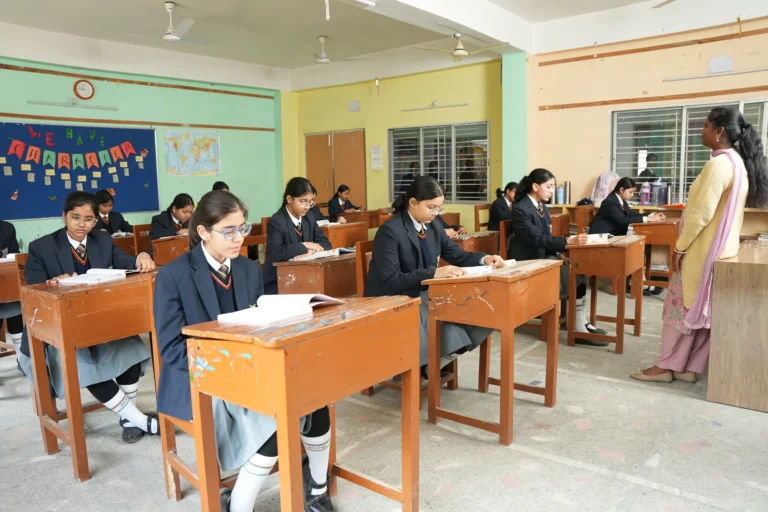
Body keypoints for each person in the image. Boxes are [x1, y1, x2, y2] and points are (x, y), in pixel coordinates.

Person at [154, 190, 334, 511]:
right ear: (203, 233)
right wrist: (231, 368)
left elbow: (257, 322)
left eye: (243, 228)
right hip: (200, 379)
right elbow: (171, 350)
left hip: (250, 366)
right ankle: (238, 504)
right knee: (277, 418)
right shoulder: (174, 275)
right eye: (229, 231)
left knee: (315, 397)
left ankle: (317, 488)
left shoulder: (248, 269)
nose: (239, 239)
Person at [632, 106, 768, 383]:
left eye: (705, 126)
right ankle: (687, 368)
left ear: (719, 131)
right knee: (699, 311)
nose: (701, 131)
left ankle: (664, 367)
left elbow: (701, 214)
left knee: (678, 309)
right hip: (721, 249)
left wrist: (680, 247)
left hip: (703, 251)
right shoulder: (737, 163)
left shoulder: (718, 164)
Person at [17, 191, 158, 443]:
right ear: (64, 217)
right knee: (85, 367)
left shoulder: (102, 241)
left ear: (96, 221)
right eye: (76, 218)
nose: (82, 225)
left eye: (89, 219)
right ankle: (138, 420)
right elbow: (33, 290)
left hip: (98, 320)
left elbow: (122, 260)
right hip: (58, 330)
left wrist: (141, 256)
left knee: (132, 352)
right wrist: (53, 285)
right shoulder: (42, 247)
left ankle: (128, 418)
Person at [365, 176, 505, 372]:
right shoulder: (390, 231)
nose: (435, 213)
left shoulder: (433, 225)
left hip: (422, 293)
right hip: (393, 298)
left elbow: (456, 254)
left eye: (439, 208)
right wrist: (434, 273)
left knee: (477, 306)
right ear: (413, 202)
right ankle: (427, 364)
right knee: (443, 312)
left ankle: (438, 359)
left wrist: (485, 259)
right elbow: (390, 280)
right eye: (431, 207)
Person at [508, 169, 608, 347]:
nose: (552, 190)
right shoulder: (521, 209)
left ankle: (580, 322)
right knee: (572, 273)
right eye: (549, 186)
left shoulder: (541, 207)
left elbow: (546, 236)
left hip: (543, 256)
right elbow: (536, 239)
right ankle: (578, 327)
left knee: (578, 268)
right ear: (535, 186)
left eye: (552, 186)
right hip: (528, 260)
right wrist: (569, 240)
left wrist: (560, 253)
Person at [590, 177, 667, 296]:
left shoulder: (621, 202)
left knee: (637, 246)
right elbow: (623, 220)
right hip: (601, 238)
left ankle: (637, 282)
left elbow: (632, 215)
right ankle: (639, 283)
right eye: (630, 192)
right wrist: (649, 219)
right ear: (621, 189)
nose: (632, 195)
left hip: (612, 236)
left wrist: (652, 214)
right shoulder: (609, 202)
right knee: (634, 248)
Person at [262, 178, 332, 294]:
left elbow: (326, 244)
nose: (307, 206)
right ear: (289, 199)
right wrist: (305, 245)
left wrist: (310, 251)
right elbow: (276, 252)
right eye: (302, 201)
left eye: (310, 202)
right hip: (278, 282)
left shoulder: (309, 217)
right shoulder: (277, 221)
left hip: (303, 277)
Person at [0, 220, 22, 359]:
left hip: (5, 281)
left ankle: (22, 359)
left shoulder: (7, 228)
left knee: (16, 303)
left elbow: (14, 257)